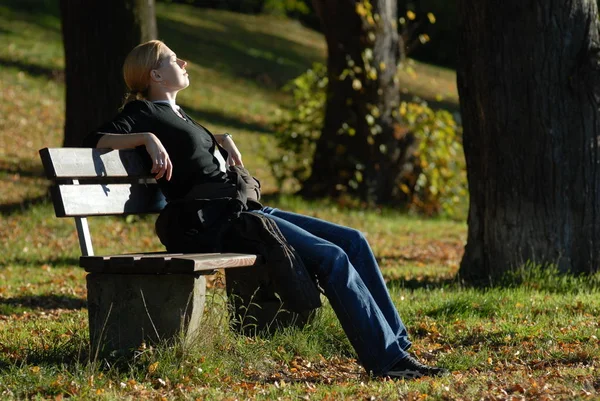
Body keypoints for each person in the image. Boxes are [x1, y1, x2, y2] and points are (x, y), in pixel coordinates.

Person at [84, 40, 448, 380]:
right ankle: (387, 361)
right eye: (172, 59)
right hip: (215, 220)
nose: (183, 62)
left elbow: (191, 152)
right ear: (155, 75)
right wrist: (146, 138)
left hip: (241, 208)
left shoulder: (177, 112)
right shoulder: (143, 111)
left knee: (353, 240)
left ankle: (398, 347)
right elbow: (94, 141)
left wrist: (218, 140)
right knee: (332, 258)